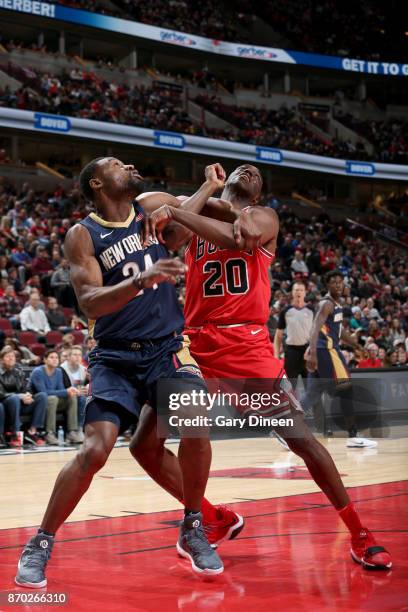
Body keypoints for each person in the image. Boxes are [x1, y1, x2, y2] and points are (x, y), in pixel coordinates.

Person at [130, 164, 391, 572]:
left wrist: (180, 209)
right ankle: (213, 519)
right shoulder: (201, 208)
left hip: (245, 343)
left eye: (257, 173)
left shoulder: (264, 217)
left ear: (257, 194)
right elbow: (156, 223)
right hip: (193, 343)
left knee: (301, 439)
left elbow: (242, 233)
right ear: (228, 178)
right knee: (143, 446)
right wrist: (201, 192)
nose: (249, 170)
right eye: (241, 168)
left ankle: (359, 532)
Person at [15, 157, 231, 589]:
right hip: (113, 356)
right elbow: (90, 301)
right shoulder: (83, 234)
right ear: (97, 183)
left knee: (195, 424)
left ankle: (193, 525)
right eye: (116, 164)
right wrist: (141, 280)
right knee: (96, 449)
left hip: (167, 348)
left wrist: (207, 187)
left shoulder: (150, 206)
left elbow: (181, 228)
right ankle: (39, 543)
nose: (128, 164)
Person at [304, 270, 377, 448]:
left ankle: (283, 430)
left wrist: (358, 346)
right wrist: (313, 352)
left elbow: (340, 332)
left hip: (326, 350)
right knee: (346, 389)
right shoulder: (326, 303)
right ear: (327, 285)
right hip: (326, 351)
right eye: (334, 282)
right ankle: (353, 436)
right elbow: (314, 327)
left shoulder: (337, 305)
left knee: (312, 394)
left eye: (340, 282)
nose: (338, 285)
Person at [29, 349, 81, 445]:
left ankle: (72, 432)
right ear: (45, 360)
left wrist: (70, 391)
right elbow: (43, 392)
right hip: (38, 402)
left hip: (54, 401)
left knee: (72, 397)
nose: (55, 360)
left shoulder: (58, 371)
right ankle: (50, 433)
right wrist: (66, 391)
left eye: (56, 357)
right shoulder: (38, 372)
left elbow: (61, 390)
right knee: (52, 398)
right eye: (51, 357)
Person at [0, 346, 47, 447]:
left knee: (42, 396)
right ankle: (15, 433)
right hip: (5, 403)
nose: (11, 358)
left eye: (12, 356)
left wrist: (28, 395)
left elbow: (26, 388)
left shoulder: (18, 371)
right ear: (1, 359)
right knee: (14, 398)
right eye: (8, 356)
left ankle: (32, 431)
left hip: (19, 403)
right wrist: (19, 396)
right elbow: (1, 393)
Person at [274, 281, 314, 382]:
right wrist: (276, 355)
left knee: (310, 387)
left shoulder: (312, 310)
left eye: (301, 290)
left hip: (307, 351)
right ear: (292, 292)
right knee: (290, 386)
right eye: (296, 290)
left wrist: (312, 348)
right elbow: (278, 335)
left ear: (305, 292)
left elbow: (317, 333)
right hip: (291, 352)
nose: (298, 292)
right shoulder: (286, 311)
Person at [60, 345, 88, 428]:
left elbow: (86, 385)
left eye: (79, 355)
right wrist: (77, 391)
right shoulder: (62, 369)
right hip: (66, 395)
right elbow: (62, 387)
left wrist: (87, 387)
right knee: (81, 399)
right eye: (75, 355)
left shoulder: (84, 369)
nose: (77, 357)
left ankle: (85, 428)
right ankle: (78, 428)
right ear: (68, 357)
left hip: (79, 395)